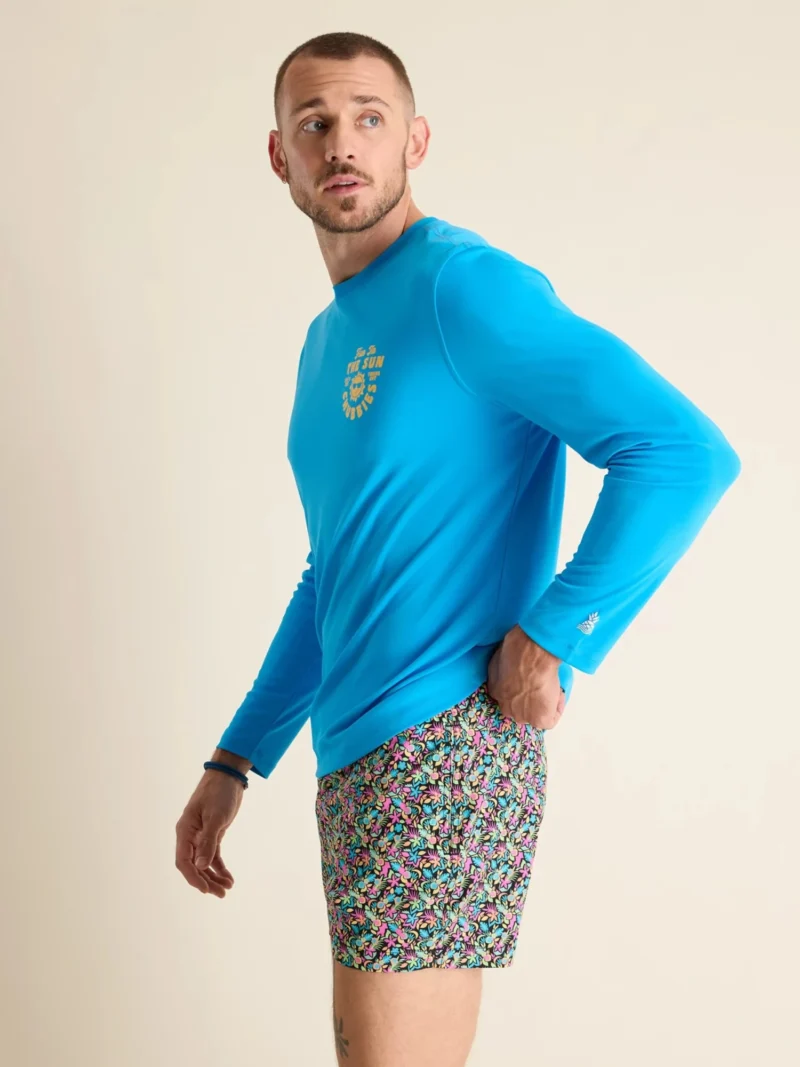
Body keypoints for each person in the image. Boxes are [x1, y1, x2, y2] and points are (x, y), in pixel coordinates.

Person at [175, 31, 741, 1067]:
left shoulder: (461, 288)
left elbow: (680, 452)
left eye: (369, 117)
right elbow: (333, 571)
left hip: (441, 745)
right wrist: (236, 756)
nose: (342, 143)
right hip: (357, 752)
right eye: (314, 123)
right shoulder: (326, 341)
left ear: (416, 139)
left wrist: (554, 633)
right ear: (281, 155)